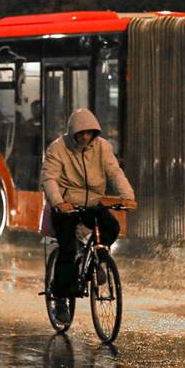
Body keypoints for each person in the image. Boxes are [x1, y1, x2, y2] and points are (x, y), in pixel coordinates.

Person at [41, 108, 135, 324]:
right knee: (67, 249)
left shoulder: (103, 147)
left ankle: (98, 258)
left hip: (92, 203)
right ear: (72, 133)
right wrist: (58, 202)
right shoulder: (57, 149)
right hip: (66, 205)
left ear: (95, 132)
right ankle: (61, 299)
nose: (84, 137)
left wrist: (127, 196)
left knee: (111, 227)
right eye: (80, 133)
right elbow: (49, 178)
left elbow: (115, 172)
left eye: (88, 133)